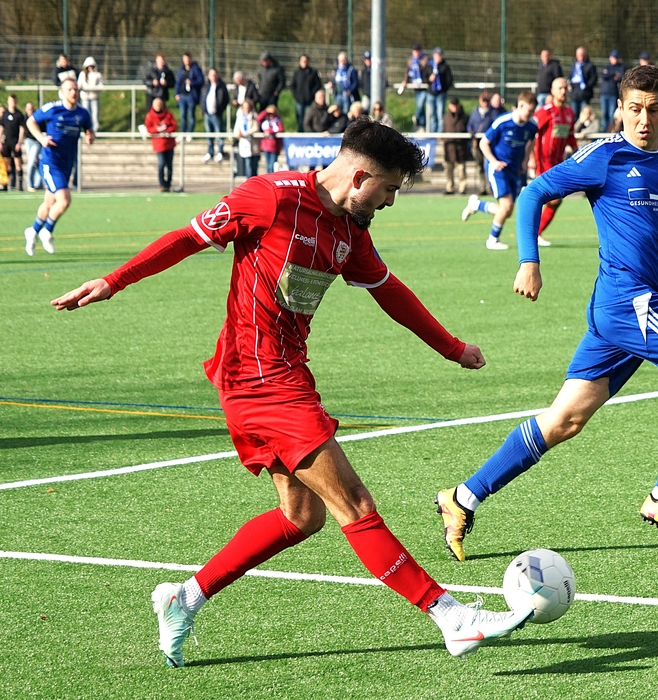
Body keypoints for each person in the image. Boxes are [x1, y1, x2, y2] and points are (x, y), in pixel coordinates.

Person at [50, 118, 533, 667]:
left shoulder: (350, 229)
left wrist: (451, 347)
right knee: (354, 503)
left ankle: (185, 597)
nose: (391, 201)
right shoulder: (270, 198)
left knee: (302, 516)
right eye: (389, 189)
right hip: (256, 380)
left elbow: (388, 290)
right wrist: (114, 281)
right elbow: (188, 237)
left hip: (288, 376)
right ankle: (453, 617)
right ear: (359, 177)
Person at [435, 65, 658, 561]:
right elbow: (534, 192)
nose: (643, 119)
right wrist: (529, 260)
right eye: (634, 108)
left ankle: (462, 497)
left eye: (653, 109)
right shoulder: (605, 156)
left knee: (564, 420)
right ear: (619, 108)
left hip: (623, 311)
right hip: (628, 301)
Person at [22, 78, 94, 256]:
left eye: (75, 89)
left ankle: (32, 231)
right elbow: (31, 121)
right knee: (64, 200)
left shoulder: (83, 113)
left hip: (66, 164)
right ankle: (47, 231)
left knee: (49, 203)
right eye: (70, 89)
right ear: (62, 92)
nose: (74, 92)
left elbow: (89, 130)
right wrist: (41, 138)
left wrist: (90, 136)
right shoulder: (53, 108)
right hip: (50, 162)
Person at [461, 91, 537, 250]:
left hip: (514, 169)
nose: (531, 114)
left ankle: (476, 205)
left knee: (507, 211)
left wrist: (525, 160)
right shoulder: (503, 121)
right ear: (520, 105)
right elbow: (483, 143)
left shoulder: (531, 126)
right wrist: (494, 161)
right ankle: (492, 240)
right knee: (507, 206)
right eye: (529, 111)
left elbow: (530, 142)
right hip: (497, 169)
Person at [532, 77, 578, 245]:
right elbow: (532, 134)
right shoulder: (545, 111)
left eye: (565, 88)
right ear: (552, 91)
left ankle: (536, 234)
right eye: (560, 88)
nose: (563, 91)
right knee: (553, 199)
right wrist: (531, 158)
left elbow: (570, 136)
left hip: (558, 164)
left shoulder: (569, 112)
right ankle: (533, 233)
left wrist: (577, 154)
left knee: (555, 200)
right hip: (543, 162)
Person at [145, 97, 177, 192]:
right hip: (159, 144)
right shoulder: (150, 116)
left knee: (169, 165)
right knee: (161, 164)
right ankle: (162, 184)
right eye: (157, 105)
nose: (158, 106)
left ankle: (168, 184)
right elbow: (149, 129)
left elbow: (174, 125)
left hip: (169, 143)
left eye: (160, 104)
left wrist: (167, 131)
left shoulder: (168, 114)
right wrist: (157, 129)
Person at [0, 93, 26, 191]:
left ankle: (20, 185)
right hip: (7, 142)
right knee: (6, 164)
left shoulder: (19, 114)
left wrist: (19, 142)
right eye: (10, 101)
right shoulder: (5, 114)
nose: (12, 103)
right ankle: (5, 184)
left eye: (13, 101)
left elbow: (22, 129)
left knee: (18, 163)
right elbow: (1, 127)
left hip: (15, 141)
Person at [201, 68, 229, 163]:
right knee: (209, 134)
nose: (213, 76)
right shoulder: (206, 86)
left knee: (219, 133)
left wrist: (220, 109)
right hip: (207, 114)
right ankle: (210, 152)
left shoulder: (221, 86)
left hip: (217, 114)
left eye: (215, 74)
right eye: (211, 74)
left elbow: (225, 99)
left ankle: (220, 151)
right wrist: (203, 109)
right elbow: (203, 97)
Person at [442, 98, 468, 195]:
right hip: (449, 147)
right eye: (452, 105)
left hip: (461, 147)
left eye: (456, 105)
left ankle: (462, 188)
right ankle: (450, 188)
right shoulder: (446, 117)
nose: (454, 107)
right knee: (449, 169)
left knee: (461, 169)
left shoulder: (464, 117)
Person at [175, 52, 204, 137]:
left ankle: (190, 134)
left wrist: (192, 83)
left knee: (191, 115)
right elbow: (178, 83)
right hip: (182, 96)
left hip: (191, 96)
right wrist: (177, 93)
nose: (186, 61)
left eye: (188, 59)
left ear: (191, 59)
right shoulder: (181, 70)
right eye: (185, 59)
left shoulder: (196, 69)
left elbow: (201, 81)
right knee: (182, 115)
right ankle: (183, 134)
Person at [292, 55, 323, 131]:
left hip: (310, 101)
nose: (304, 63)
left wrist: (312, 95)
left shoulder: (313, 72)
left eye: (305, 61)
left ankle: (310, 132)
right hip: (299, 101)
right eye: (302, 61)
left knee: (310, 118)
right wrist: (296, 96)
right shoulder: (297, 73)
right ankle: (300, 133)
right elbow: (293, 86)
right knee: (300, 118)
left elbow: (318, 85)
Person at [427, 48, 453, 134]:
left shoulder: (445, 66)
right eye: (438, 55)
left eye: (440, 55)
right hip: (431, 93)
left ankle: (440, 132)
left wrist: (444, 88)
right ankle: (432, 132)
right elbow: (424, 77)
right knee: (432, 114)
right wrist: (429, 79)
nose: (439, 57)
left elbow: (449, 79)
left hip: (441, 94)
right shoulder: (429, 65)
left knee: (440, 114)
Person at [233, 99, 260, 179]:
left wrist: (247, 133)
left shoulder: (254, 116)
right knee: (248, 166)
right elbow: (236, 128)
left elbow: (256, 128)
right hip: (244, 143)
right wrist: (238, 134)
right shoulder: (240, 116)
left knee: (254, 166)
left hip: (253, 144)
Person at [568, 47, 597, 120]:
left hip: (585, 95)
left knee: (584, 115)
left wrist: (586, 87)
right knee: (574, 114)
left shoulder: (590, 66)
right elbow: (570, 77)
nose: (581, 56)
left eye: (582, 54)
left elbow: (593, 79)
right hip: (574, 95)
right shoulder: (573, 66)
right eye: (579, 55)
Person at [599, 51, 625, 131]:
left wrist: (609, 75)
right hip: (604, 93)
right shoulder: (606, 66)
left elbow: (621, 77)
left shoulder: (621, 67)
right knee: (604, 114)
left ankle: (610, 130)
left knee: (611, 114)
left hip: (613, 94)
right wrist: (613, 74)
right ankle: (604, 131)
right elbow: (603, 75)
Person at [77, 57, 103, 132]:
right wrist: (82, 88)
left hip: (94, 97)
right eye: (89, 66)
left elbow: (101, 85)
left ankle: (95, 130)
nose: (90, 67)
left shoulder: (98, 74)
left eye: (92, 66)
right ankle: (86, 129)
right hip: (85, 97)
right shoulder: (82, 74)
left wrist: (94, 88)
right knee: (86, 113)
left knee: (95, 114)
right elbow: (79, 84)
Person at [405, 44, 428, 131]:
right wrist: (405, 81)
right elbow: (407, 71)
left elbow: (425, 68)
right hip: (416, 87)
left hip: (424, 86)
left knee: (420, 104)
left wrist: (418, 64)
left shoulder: (425, 58)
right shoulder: (411, 60)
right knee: (420, 106)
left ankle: (417, 117)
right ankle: (421, 124)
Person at [258, 103, 284, 173]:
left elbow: (280, 129)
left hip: (274, 146)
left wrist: (270, 131)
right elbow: (258, 118)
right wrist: (266, 111)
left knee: (272, 165)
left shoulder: (277, 121)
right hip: (266, 146)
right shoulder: (265, 121)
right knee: (268, 165)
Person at [331, 51, 359, 115]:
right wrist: (332, 83)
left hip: (346, 94)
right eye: (340, 60)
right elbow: (335, 80)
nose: (341, 62)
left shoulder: (351, 69)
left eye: (342, 60)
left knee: (346, 111)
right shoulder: (337, 69)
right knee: (337, 110)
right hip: (337, 94)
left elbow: (355, 82)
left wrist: (350, 90)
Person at [23, 102, 42, 191]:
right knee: (33, 162)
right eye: (28, 108)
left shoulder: (37, 117)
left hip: (36, 142)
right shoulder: (24, 118)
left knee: (32, 162)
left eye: (31, 108)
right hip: (28, 141)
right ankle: (38, 183)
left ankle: (30, 183)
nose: (30, 110)